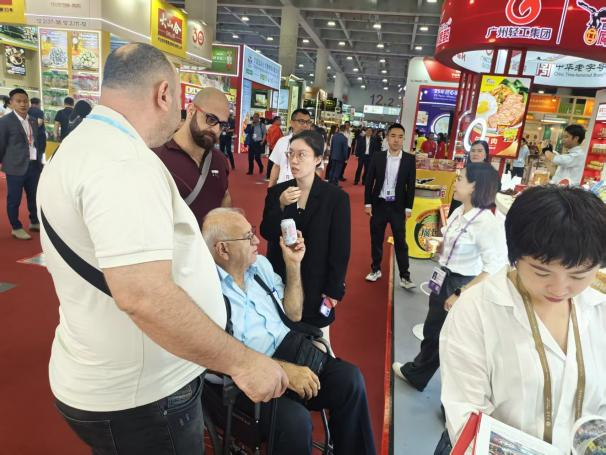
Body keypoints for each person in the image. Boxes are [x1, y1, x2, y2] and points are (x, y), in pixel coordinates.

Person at [37, 43, 287, 454]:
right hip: (142, 397)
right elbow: (144, 296)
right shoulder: (123, 163)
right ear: (164, 93)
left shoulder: (84, 146)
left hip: (113, 376)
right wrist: (242, 362)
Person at [439, 185, 606, 454]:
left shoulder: (599, 311)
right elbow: (465, 410)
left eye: (578, 275)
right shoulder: (477, 310)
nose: (559, 288)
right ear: (515, 256)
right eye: (541, 272)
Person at [203, 208, 376, 455]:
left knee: (350, 380)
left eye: (253, 232)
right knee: (296, 422)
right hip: (241, 378)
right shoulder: (206, 290)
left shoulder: (260, 265)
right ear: (223, 249)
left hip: (290, 348)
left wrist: (293, 265)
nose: (257, 241)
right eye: (248, 237)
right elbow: (211, 356)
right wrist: (281, 369)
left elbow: (294, 315)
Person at [393, 163, 508, 392]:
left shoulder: (488, 223)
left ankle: (450, 393)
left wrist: (460, 294)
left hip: (462, 284)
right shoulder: (459, 211)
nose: (455, 183)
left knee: (451, 340)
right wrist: (439, 247)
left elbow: (494, 267)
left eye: (460, 179)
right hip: (444, 277)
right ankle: (418, 374)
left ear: (475, 186)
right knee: (433, 331)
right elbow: (449, 240)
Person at [261, 130, 351, 335]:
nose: (294, 160)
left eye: (301, 155)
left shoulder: (335, 198)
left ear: (318, 159)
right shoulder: (278, 192)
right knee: (281, 337)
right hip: (281, 279)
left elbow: (340, 249)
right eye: (290, 154)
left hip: (316, 283)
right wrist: (280, 205)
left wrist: (334, 290)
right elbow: (267, 232)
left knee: (317, 342)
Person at [154, 87, 232, 225]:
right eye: (211, 119)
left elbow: (224, 197)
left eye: (222, 125)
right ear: (191, 111)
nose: (216, 130)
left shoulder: (220, 161)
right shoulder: (157, 157)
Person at [364, 123, 416, 289]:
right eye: (393, 136)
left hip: (397, 207)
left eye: (400, 137)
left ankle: (405, 276)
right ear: (387, 137)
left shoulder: (409, 159)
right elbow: (369, 181)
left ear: (403, 139)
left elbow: (411, 186)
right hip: (379, 204)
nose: (396, 140)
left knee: (401, 241)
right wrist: (367, 203)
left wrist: (408, 208)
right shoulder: (377, 157)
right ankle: (375, 269)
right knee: (376, 239)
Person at [0, 88, 44, 240]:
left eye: (25, 101)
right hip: (15, 167)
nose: (23, 104)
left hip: (33, 166)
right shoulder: (5, 122)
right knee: (14, 199)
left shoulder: (32, 120)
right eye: (18, 101)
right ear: (11, 103)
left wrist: (39, 160)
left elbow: (36, 142)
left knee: (34, 196)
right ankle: (16, 227)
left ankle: (34, 221)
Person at [268, 109, 313, 187]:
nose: (305, 125)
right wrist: (270, 188)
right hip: (282, 187)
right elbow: (276, 166)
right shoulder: (282, 141)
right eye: (301, 121)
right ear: (292, 123)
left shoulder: (314, 144)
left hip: (304, 189)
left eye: (308, 122)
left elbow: (318, 169)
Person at [449, 140, 492, 216]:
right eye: (473, 150)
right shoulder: (466, 169)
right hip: (458, 207)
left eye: (479, 151)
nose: (475, 154)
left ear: (485, 155)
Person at [265, 116, 283, 180]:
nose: (281, 122)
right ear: (276, 121)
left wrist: (269, 144)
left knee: (271, 162)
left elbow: (267, 137)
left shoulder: (271, 127)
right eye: (280, 120)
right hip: (276, 147)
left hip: (272, 147)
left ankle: (268, 175)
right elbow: (274, 138)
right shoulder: (277, 128)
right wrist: (272, 144)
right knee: (275, 163)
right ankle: (271, 176)